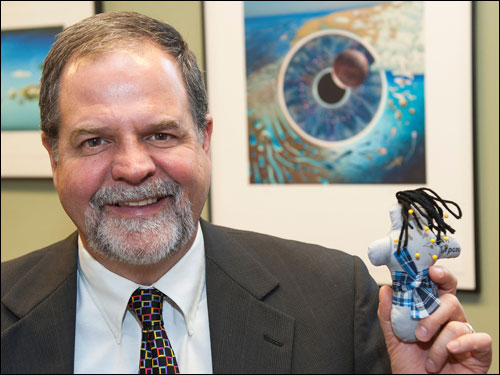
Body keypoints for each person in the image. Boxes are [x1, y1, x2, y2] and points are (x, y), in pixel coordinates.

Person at [1, 11, 492, 374]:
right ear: (53, 155)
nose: (133, 168)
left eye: (161, 135)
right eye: (95, 141)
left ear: (205, 139)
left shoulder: (336, 300)